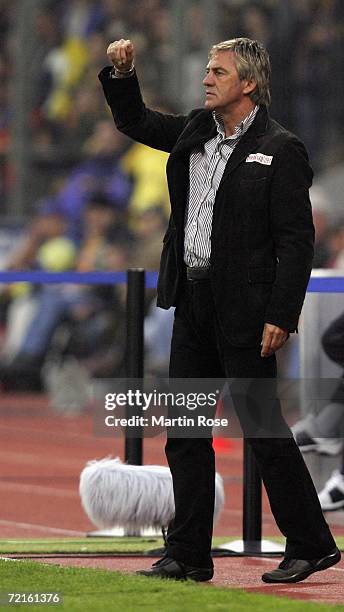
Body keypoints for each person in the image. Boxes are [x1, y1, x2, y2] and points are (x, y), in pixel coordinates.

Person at [99, 37, 340, 584]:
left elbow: (296, 241)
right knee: (184, 430)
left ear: (248, 83)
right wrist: (123, 74)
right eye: (207, 70)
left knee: (262, 429)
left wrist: (282, 314)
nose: (206, 79)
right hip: (193, 302)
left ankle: (309, 544)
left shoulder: (282, 148)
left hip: (249, 313)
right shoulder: (193, 130)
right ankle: (188, 553)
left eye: (217, 72)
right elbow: (135, 121)